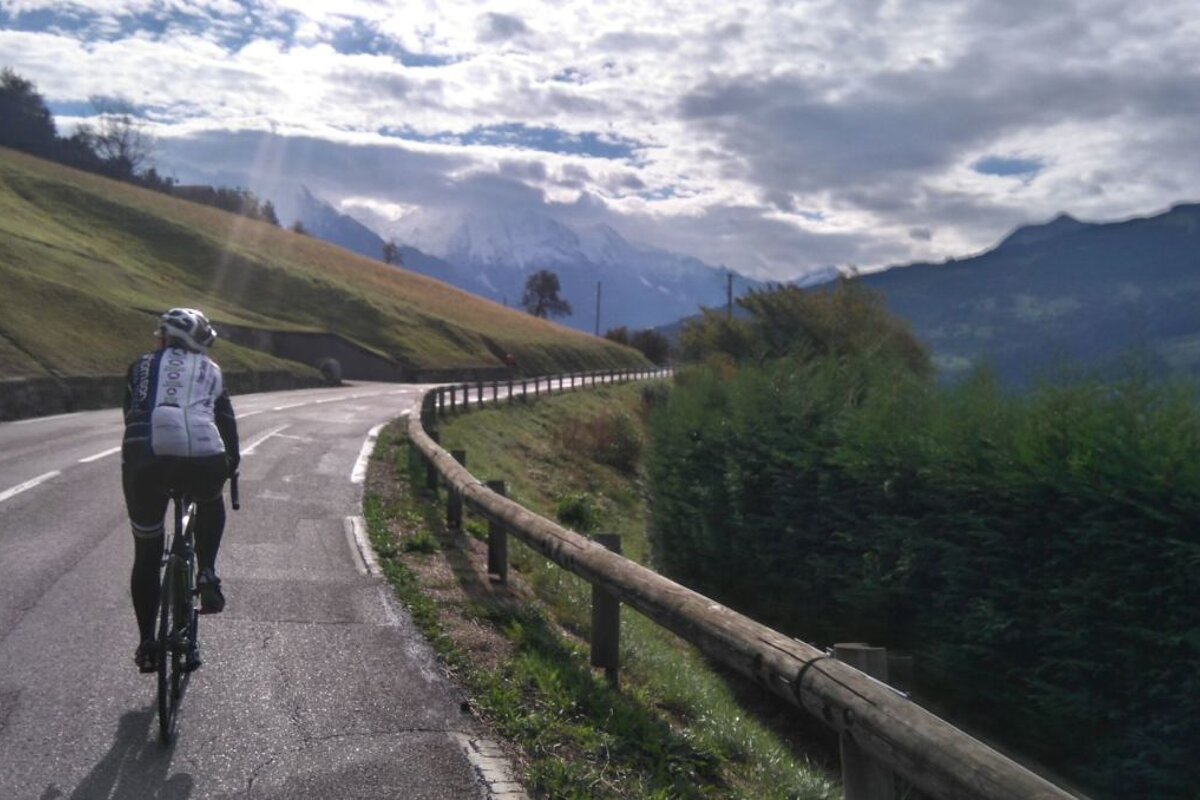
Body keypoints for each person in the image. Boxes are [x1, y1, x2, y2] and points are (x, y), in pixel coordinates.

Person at [121, 308, 240, 673]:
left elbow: (130, 414)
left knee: (147, 550)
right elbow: (227, 424)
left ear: (166, 338)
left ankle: (147, 644)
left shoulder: (140, 366)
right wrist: (231, 465)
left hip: (145, 455)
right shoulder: (212, 371)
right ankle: (207, 572)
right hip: (203, 456)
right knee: (209, 499)